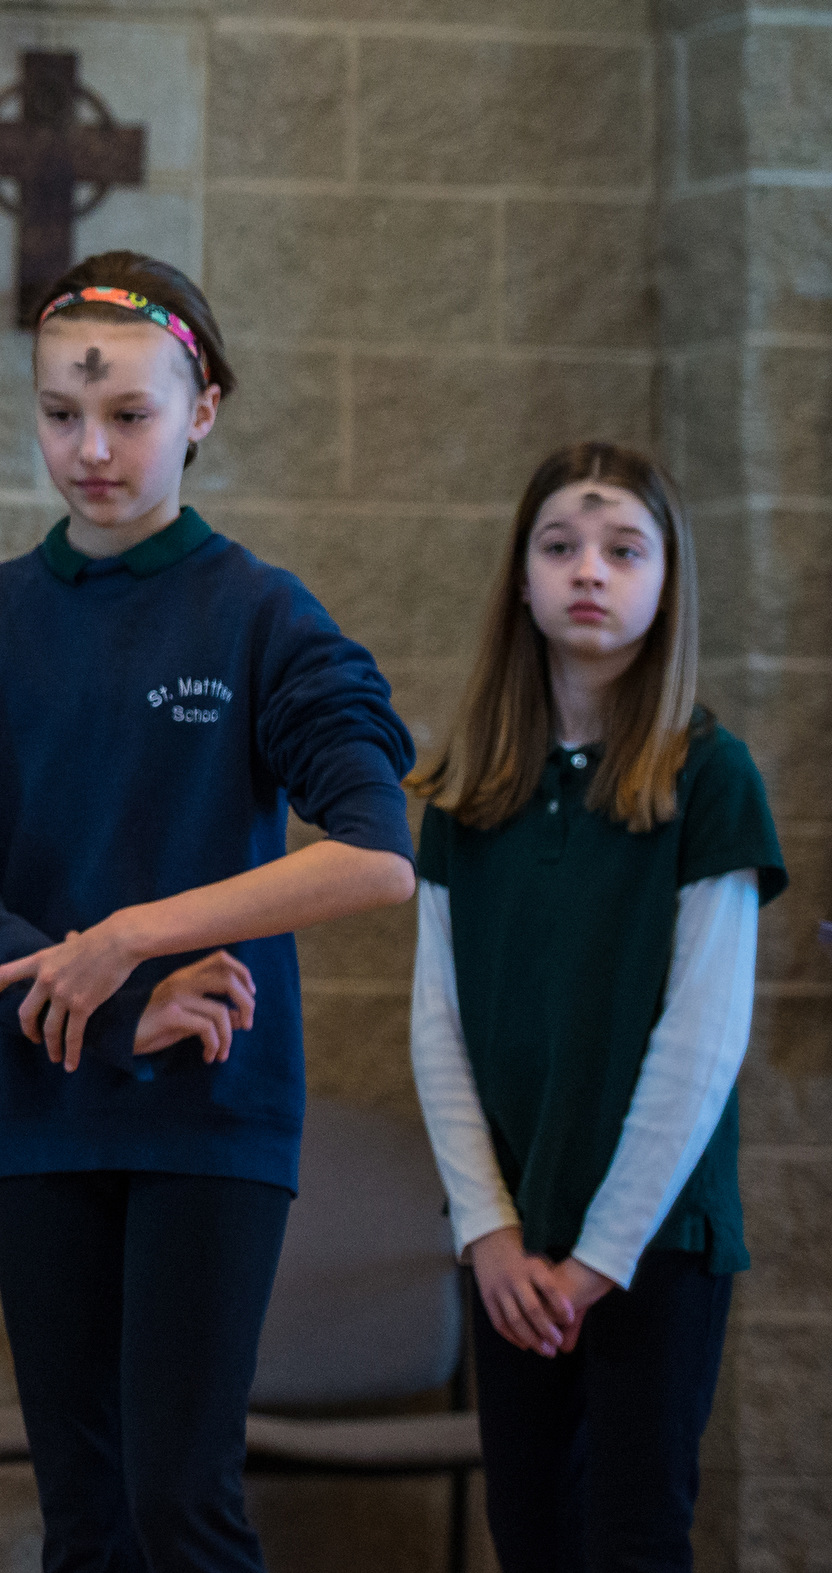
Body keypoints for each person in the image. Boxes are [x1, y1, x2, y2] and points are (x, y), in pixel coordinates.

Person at [0, 251, 419, 1572]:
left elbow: (375, 853)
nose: (93, 448)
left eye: (130, 415)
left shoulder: (260, 615)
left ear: (204, 409)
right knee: (87, 1510)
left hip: (211, 1112)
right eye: (63, 414)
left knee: (182, 1502)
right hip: (45, 1101)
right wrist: (113, 995)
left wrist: (137, 936)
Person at [408, 441, 783, 1571]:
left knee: (631, 1534)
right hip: (513, 1245)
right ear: (520, 577)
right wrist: (491, 1233)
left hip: (654, 1242)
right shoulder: (468, 788)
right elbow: (439, 1028)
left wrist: (597, 1259)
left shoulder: (711, 778)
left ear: (666, 582)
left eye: (625, 549)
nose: (590, 571)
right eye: (560, 546)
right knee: (529, 1533)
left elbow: (701, 1041)